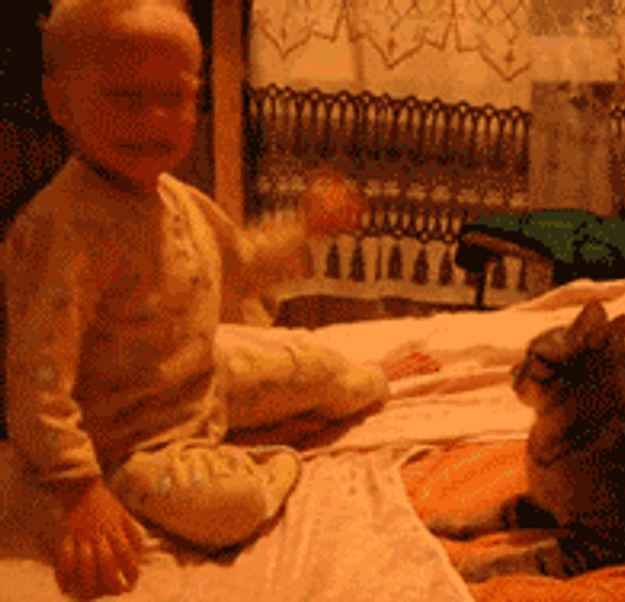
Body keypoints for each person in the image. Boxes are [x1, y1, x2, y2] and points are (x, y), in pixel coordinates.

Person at [4, 0, 439, 598]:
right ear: (60, 103)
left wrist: (306, 227)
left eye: (177, 97)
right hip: (130, 442)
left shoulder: (178, 198)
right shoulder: (61, 228)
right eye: (127, 98)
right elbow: (36, 381)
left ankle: (374, 381)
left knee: (318, 370)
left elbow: (241, 263)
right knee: (227, 508)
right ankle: (284, 452)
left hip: (204, 384)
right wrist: (80, 489)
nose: (156, 119)